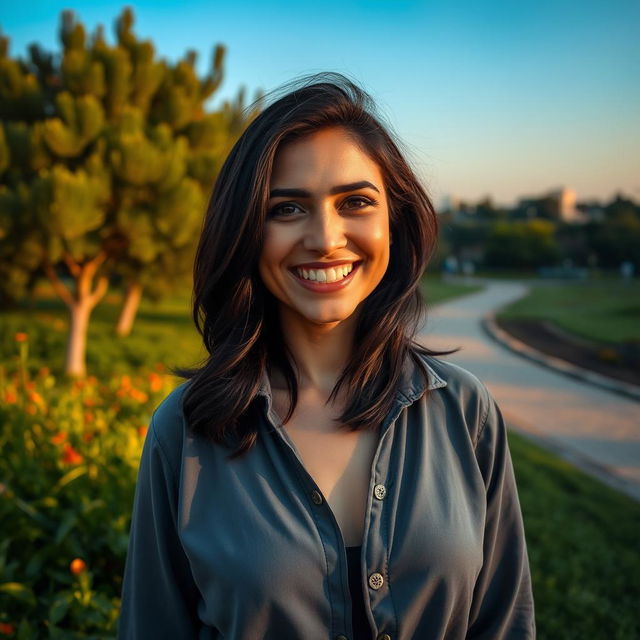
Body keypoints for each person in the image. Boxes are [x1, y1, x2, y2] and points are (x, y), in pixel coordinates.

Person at [118, 73, 535, 639]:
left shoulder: (466, 410)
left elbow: (504, 624)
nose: (325, 238)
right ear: (247, 230)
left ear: (396, 220)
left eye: (356, 202)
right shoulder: (186, 431)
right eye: (287, 209)